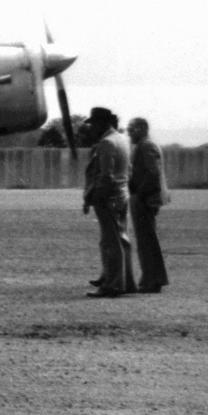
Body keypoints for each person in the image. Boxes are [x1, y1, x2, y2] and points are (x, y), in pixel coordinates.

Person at [83, 107, 136, 297]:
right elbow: (127, 170)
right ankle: (125, 281)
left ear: (103, 123)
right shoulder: (122, 139)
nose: (91, 128)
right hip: (122, 192)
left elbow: (105, 175)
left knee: (110, 241)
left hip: (108, 195)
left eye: (94, 124)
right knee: (122, 239)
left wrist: (95, 196)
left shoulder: (106, 142)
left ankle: (113, 285)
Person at [127, 116, 170, 292]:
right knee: (146, 241)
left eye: (132, 128)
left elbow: (153, 173)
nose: (129, 132)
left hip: (145, 199)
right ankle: (151, 279)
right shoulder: (144, 146)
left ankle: (152, 280)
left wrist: (139, 194)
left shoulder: (146, 146)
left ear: (142, 129)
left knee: (147, 241)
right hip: (145, 197)